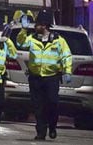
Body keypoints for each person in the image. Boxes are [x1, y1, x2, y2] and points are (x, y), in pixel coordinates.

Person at [17, 9, 72, 140]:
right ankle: (41, 132)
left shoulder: (59, 40)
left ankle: (52, 126)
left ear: (45, 25)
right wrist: (23, 30)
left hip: (52, 78)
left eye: (38, 24)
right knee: (38, 106)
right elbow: (20, 43)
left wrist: (67, 71)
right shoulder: (32, 38)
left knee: (52, 103)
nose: (35, 27)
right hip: (35, 78)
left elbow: (66, 56)